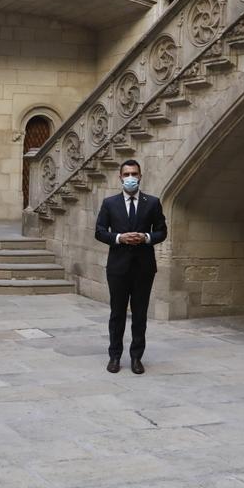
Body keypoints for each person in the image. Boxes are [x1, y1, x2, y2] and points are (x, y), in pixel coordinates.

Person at [94, 159, 168, 375]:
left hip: (143, 268)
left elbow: (162, 231)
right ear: (120, 177)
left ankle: (136, 357)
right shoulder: (110, 203)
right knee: (117, 314)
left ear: (140, 176)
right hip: (118, 267)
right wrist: (119, 237)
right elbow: (99, 231)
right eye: (126, 174)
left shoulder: (152, 202)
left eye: (134, 173)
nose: (130, 178)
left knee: (140, 314)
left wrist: (145, 237)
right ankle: (114, 356)